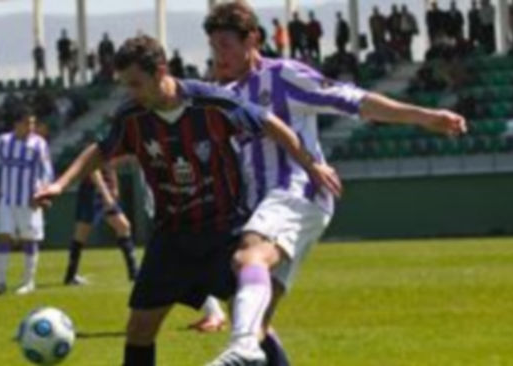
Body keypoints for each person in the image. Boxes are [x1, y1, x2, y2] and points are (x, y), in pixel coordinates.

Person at [34, 34, 341, 366]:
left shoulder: (213, 103)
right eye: (126, 85)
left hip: (223, 231)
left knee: (253, 325)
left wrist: (311, 166)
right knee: (139, 328)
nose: (131, 93)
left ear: (161, 71)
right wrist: (59, 184)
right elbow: (101, 150)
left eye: (136, 84)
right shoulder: (132, 117)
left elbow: (270, 122)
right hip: (172, 237)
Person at [201, 3, 468, 364]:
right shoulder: (224, 95)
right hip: (262, 205)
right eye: (214, 47)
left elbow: (353, 100)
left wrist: (424, 117)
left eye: (226, 45)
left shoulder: (282, 76)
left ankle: (243, 347)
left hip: (297, 191)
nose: (219, 55)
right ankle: (251, 345)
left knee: (249, 255)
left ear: (252, 40)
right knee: (252, 309)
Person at [0, 105, 53, 296]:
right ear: (16, 124)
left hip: (29, 200)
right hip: (7, 199)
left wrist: (42, 194)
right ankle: (0, 282)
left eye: (33, 123)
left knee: (29, 239)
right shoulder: (3, 141)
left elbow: (47, 171)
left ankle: (28, 282)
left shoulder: (39, 144)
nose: (31, 127)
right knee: (3, 236)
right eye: (27, 123)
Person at [63, 161, 138, 286]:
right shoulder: (96, 143)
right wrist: (105, 194)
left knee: (123, 226)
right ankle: (70, 276)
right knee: (81, 233)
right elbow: (93, 169)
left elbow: (111, 165)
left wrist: (114, 186)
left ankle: (134, 273)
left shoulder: (113, 145)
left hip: (106, 190)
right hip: (92, 191)